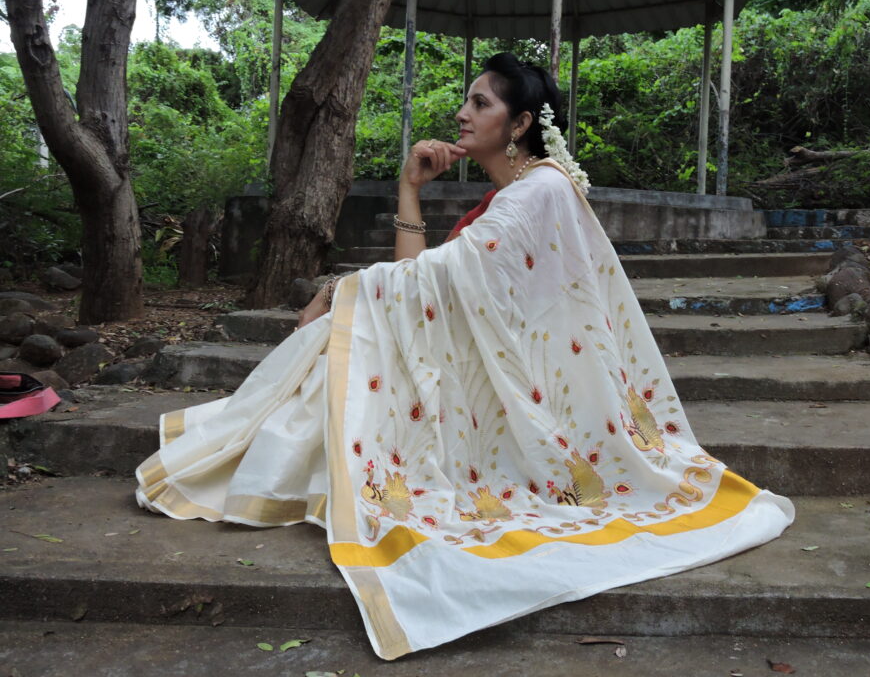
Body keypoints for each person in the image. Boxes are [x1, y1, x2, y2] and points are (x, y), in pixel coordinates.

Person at [136, 53, 794, 661]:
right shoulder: (511, 199)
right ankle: (276, 458)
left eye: (480, 103)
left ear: (521, 124)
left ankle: (270, 460)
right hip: (481, 368)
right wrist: (409, 190)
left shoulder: (540, 192)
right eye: (466, 101)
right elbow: (418, 284)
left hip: (525, 388)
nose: (461, 114)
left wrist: (339, 289)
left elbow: (424, 288)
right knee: (355, 330)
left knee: (349, 327)